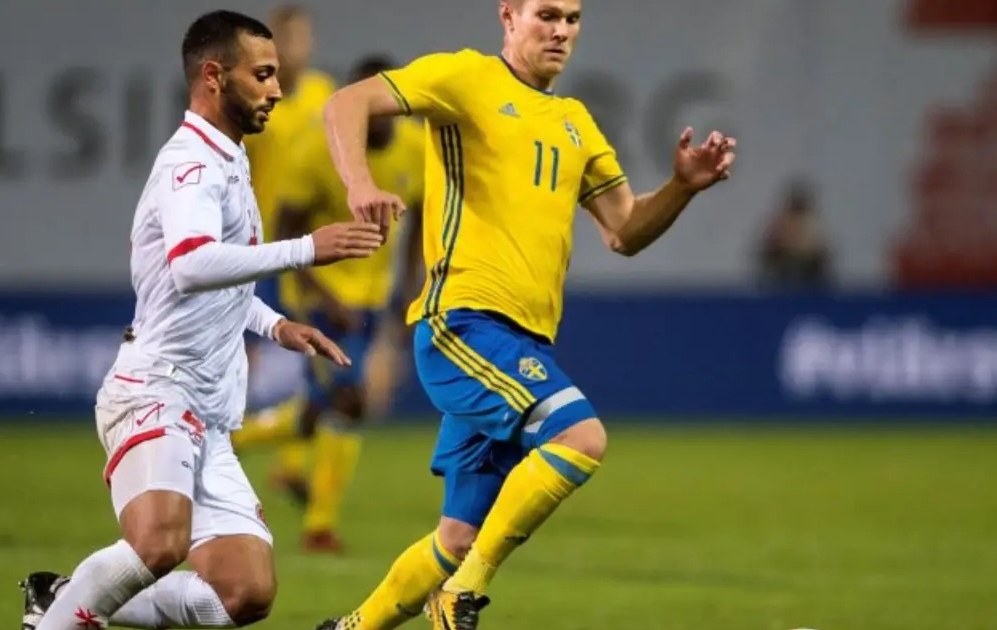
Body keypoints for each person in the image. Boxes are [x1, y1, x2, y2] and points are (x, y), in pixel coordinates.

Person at [314, 1, 737, 629]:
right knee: (580, 437)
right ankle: (461, 594)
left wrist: (680, 187)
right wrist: (359, 183)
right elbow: (345, 103)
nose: (562, 30)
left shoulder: (575, 122)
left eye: (573, 18)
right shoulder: (466, 78)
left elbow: (624, 230)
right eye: (547, 15)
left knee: (457, 538)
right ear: (508, 16)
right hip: (463, 323)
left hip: (523, 342)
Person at [17, 10, 382, 630]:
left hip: (208, 414)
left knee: (244, 594)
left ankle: (63, 597)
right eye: (262, 75)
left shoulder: (231, 158)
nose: (278, 89)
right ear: (214, 76)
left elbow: (218, 277)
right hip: (157, 389)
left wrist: (273, 325)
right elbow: (190, 265)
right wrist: (306, 249)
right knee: (159, 544)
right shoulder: (191, 164)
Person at [270, 54, 425, 553]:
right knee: (351, 402)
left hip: (371, 299)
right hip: (317, 296)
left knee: (318, 411)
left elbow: (420, 224)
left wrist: (410, 290)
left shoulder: (415, 148)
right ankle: (319, 526)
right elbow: (285, 233)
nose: (373, 113)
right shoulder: (318, 148)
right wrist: (320, 295)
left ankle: (226, 441)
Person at [236, 2, 339, 504]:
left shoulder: (324, 94)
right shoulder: (255, 100)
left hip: (301, 249)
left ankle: (291, 462)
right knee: (243, 353)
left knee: (310, 350)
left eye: (302, 38)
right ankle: (221, 437)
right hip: (254, 244)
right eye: (287, 39)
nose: (296, 48)